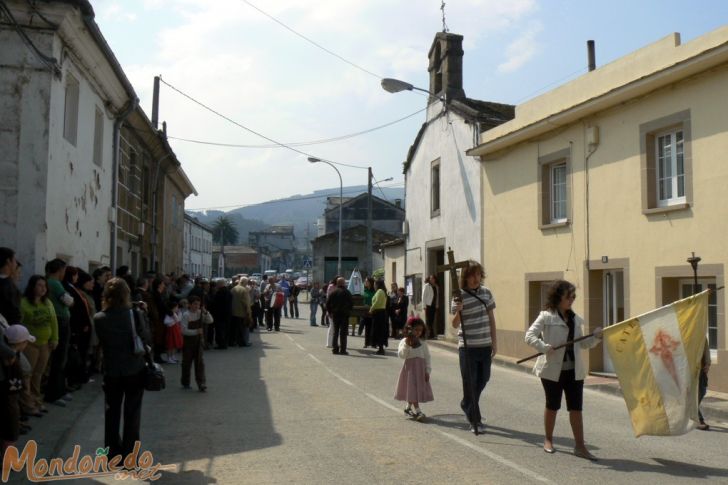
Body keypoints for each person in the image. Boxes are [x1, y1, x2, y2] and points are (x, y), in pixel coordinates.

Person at [525, 279, 602, 459]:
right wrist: (544, 347)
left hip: (574, 371)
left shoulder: (575, 319)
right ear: (559, 296)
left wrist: (597, 337)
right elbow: (529, 336)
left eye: (574, 296)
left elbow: (582, 344)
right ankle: (548, 439)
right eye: (570, 296)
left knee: (576, 408)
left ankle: (580, 446)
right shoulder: (545, 316)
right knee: (552, 405)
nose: (572, 299)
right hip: (552, 370)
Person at [94, 277, 151, 461]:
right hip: (134, 369)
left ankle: (112, 454)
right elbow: (146, 338)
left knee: (112, 414)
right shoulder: (135, 314)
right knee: (132, 414)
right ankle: (130, 456)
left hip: (112, 371)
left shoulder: (99, 318)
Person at [450, 260, 497, 433]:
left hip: (484, 344)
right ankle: (474, 419)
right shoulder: (458, 295)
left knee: (483, 378)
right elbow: (454, 324)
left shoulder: (486, 293)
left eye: (478, 274)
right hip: (467, 347)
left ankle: (467, 403)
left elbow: (491, 319)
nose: (475, 278)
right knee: (470, 381)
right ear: (466, 277)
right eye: (472, 275)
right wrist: (459, 310)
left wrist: (495, 342)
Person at [20, 276, 58, 416]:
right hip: (30, 344)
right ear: (32, 287)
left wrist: (55, 338)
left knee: (38, 374)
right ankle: (28, 404)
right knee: (27, 375)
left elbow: (53, 322)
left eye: (44, 286)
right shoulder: (23, 303)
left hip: (45, 344)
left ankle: (37, 400)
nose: (43, 288)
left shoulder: (47, 302)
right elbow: (19, 322)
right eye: (39, 285)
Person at [44, 258, 74, 407]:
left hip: (60, 320)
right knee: (59, 358)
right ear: (60, 270)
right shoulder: (54, 283)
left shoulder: (51, 282)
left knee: (60, 359)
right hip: (60, 321)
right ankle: (54, 393)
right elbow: (69, 301)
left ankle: (59, 390)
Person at [394, 317, 434, 421]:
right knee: (413, 389)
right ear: (409, 329)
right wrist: (407, 345)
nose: (418, 332)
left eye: (420, 330)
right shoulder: (404, 341)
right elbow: (401, 355)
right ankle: (418, 411)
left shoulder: (423, 342)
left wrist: (427, 370)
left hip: (420, 370)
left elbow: (427, 357)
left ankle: (408, 408)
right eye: (416, 330)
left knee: (414, 390)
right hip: (410, 370)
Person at [180, 296, 212, 392]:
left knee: (200, 363)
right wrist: (195, 331)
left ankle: (201, 383)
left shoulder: (201, 313)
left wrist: (205, 312)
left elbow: (210, 320)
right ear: (190, 305)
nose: (196, 306)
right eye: (194, 304)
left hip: (199, 342)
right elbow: (183, 330)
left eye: (198, 304)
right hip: (188, 342)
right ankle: (185, 382)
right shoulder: (186, 315)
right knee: (186, 363)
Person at [326, 277, 353, 355]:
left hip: (335, 315)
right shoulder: (347, 292)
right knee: (343, 333)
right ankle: (343, 350)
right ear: (344, 283)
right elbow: (351, 303)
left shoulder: (333, 292)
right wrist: (349, 311)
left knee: (336, 332)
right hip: (344, 315)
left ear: (337, 283)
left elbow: (327, 303)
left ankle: (335, 349)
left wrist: (330, 312)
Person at [0, 247, 21, 326]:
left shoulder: (9, 283)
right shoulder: (7, 286)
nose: (16, 264)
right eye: (14, 260)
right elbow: (14, 313)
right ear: (8, 261)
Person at [210, 279, 232, 349]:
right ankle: (225, 343)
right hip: (228, 313)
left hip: (220, 314)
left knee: (220, 329)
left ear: (220, 285)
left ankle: (221, 344)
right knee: (226, 329)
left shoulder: (219, 292)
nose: (216, 286)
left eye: (217, 284)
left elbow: (216, 303)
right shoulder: (229, 292)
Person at [230, 277, 252, 346]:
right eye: (247, 282)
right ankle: (242, 342)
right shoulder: (244, 290)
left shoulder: (233, 289)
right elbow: (246, 303)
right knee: (242, 329)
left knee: (234, 329)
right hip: (242, 313)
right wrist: (248, 313)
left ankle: (233, 342)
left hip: (233, 312)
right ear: (244, 282)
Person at [370, 280, 388, 355]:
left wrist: (371, 309)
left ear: (378, 284)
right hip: (380, 312)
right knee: (379, 330)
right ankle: (380, 347)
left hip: (379, 313)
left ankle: (381, 348)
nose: (374, 286)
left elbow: (377, 302)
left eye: (374, 284)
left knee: (379, 330)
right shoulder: (381, 291)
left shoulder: (380, 291)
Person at [697, 337, 711, 430]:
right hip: (689, 370)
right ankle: (699, 420)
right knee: (694, 397)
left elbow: (706, 349)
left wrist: (707, 363)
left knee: (702, 391)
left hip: (701, 370)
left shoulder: (701, 334)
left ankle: (690, 416)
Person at [359, 278, 375, 346]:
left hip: (372, 310)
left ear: (370, 282)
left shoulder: (374, 291)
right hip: (364, 311)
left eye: (367, 281)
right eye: (365, 281)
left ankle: (373, 343)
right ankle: (366, 343)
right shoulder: (363, 290)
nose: (365, 282)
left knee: (372, 327)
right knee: (367, 327)